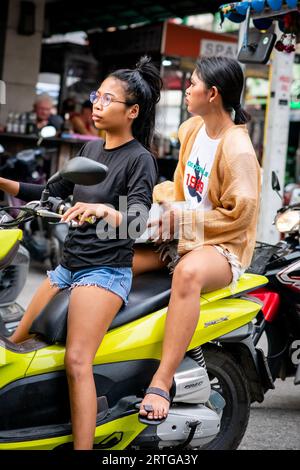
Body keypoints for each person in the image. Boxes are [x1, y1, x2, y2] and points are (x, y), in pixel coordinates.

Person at [0, 56, 161, 449]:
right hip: (68, 267)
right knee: (16, 346)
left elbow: (137, 219)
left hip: (104, 272)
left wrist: (107, 211)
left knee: (76, 361)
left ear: (133, 111)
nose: (98, 104)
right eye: (96, 96)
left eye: (108, 98)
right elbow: (53, 193)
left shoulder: (140, 159)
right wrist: (4, 183)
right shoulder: (90, 148)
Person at [132, 56, 261, 423]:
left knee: (187, 273)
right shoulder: (192, 130)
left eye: (192, 84)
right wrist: (160, 206)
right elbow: (181, 187)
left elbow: (241, 217)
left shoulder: (238, 151)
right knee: (118, 257)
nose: (186, 89)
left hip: (223, 246)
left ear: (213, 93)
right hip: (183, 232)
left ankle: (162, 379)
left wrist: (181, 219)